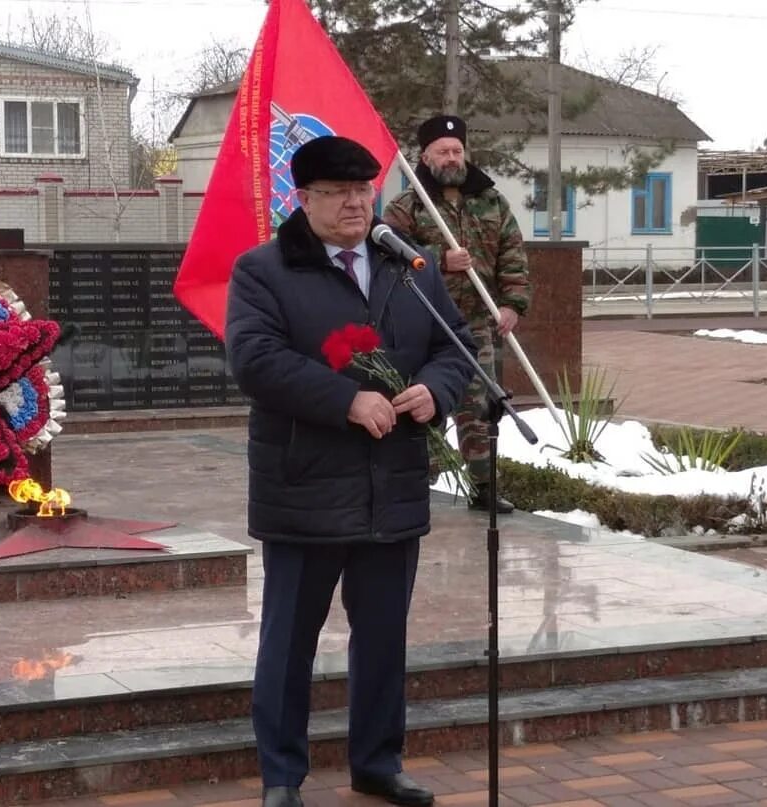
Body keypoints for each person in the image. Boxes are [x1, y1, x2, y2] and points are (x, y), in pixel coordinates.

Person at [226, 135, 476, 807]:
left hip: (391, 485)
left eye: (363, 190)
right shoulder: (264, 270)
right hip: (305, 485)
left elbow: (458, 347)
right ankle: (282, 777)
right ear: (302, 199)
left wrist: (436, 389)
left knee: (385, 637)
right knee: (289, 642)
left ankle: (377, 762)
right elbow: (255, 360)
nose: (354, 204)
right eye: (337, 193)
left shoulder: (409, 265)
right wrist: (346, 399)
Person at [383, 114, 532, 514]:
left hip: (475, 325)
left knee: (479, 406)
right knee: (425, 404)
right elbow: (387, 257)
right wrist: (439, 260)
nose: (451, 158)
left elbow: (513, 255)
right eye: (442, 151)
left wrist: (512, 304)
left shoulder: (491, 201)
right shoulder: (407, 206)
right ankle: (420, 484)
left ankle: (483, 485)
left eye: (457, 150)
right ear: (425, 155)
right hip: (424, 325)